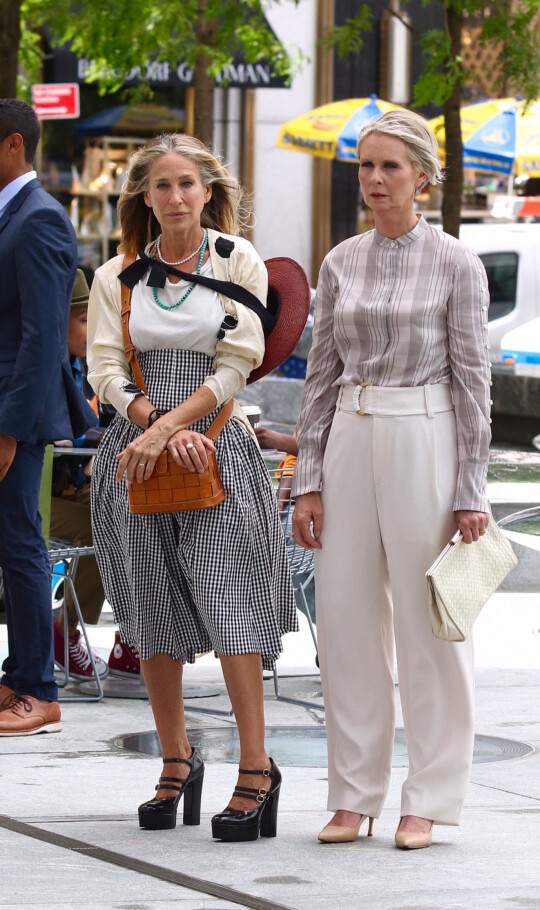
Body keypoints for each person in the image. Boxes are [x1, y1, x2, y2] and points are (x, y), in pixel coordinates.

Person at [86, 133, 297, 838]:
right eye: (162, 185)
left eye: (188, 184)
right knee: (149, 608)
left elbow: (240, 360)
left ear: (209, 192)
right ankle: (176, 760)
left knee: (228, 598)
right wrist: (148, 425)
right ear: (144, 196)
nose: (175, 197)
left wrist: (177, 429)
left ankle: (257, 770)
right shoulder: (118, 273)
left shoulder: (240, 262)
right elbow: (106, 367)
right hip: (136, 449)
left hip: (214, 440)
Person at [292, 109, 491, 849]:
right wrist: (308, 479)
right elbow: (320, 377)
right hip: (348, 433)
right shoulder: (340, 261)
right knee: (343, 622)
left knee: (432, 624)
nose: (374, 181)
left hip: (427, 434)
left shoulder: (457, 263)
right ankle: (354, 793)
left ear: (423, 178)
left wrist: (471, 486)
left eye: (390, 168)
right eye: (365, 168)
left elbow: (474, 381)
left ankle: (429, 798)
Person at [0, 99, 95, 736]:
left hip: (14, 414)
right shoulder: (14, 216)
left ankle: (38, 688)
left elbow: (42, 337)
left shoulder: (38, 220)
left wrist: (9, 428)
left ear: (12, 145)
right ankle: (17, 679)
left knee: (20, 544)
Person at [51, 269, 140, 680]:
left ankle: (136, 637)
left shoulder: (78, 365)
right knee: (101, 524)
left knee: (137, 512)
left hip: (66, 487)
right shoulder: (49, 369)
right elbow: (69, 429)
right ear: (57, 319)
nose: (93, 330)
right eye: (85, 320)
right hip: (35, 493)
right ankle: (65, 628)